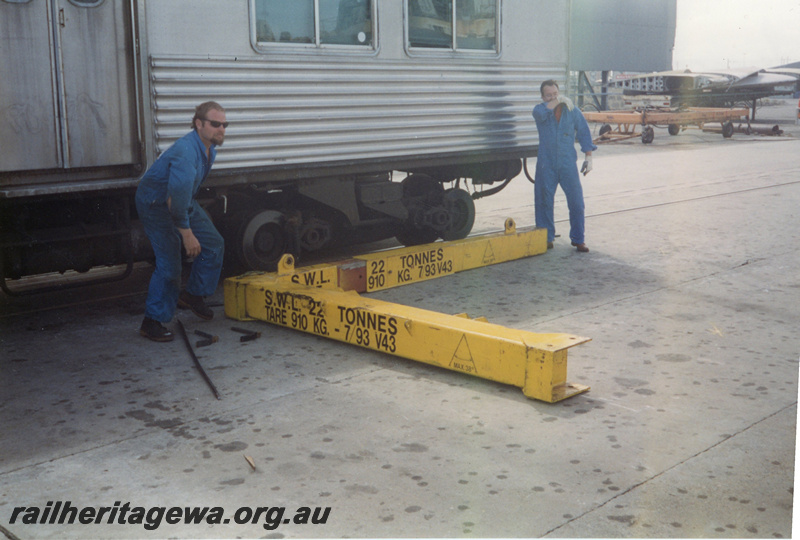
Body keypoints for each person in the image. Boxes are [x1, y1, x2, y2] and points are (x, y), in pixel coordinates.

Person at [135, 101, 228, 341]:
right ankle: (152, 321)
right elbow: (171, 201)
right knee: (170, 264)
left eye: (225, 124)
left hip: (179, 200)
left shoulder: (210, 149)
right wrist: (186, 233)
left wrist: (188, 224)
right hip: (155, 204)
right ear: (199, 124)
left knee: (214, 244)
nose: (221, 129)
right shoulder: (186, 152)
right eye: (215, 124)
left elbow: (181, 197)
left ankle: (194, 295)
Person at [532, 80, 597, 252]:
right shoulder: (539, 111)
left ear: (559, 92)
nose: (553, 97)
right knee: (544, 200)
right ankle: (546, 238)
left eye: (555, 94)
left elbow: (583, 131)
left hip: (567, 163)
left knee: (576, 202)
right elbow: (542, 113)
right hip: (546, 164)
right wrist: (556, 101)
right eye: (548, 95)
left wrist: (588, 157)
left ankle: (578, 239)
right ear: (542, 97)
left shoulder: (571, 111)